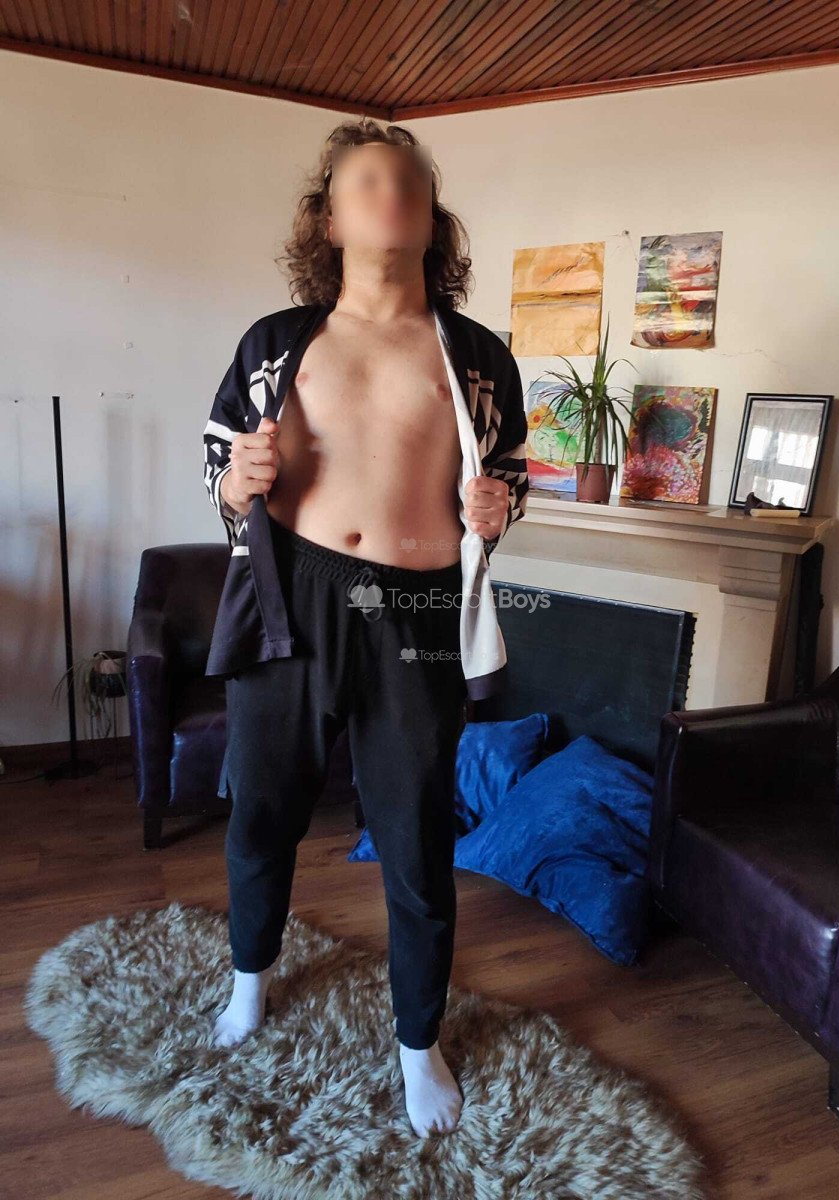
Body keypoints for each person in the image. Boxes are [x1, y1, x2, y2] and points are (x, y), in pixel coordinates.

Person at [205, 117, 528, 1138]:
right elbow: (220, 471)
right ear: (330, 219)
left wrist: (498, 510)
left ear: (433, 217)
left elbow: (508, 476)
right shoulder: (276, 343)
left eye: (410, 181)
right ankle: (251, 978)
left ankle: (418, 1040)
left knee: (417, 831)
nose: (393, 193)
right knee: (263, 810)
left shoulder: (475, 355)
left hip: (417, 608)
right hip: (293, 596)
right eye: (369, 181)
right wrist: (236, 483)